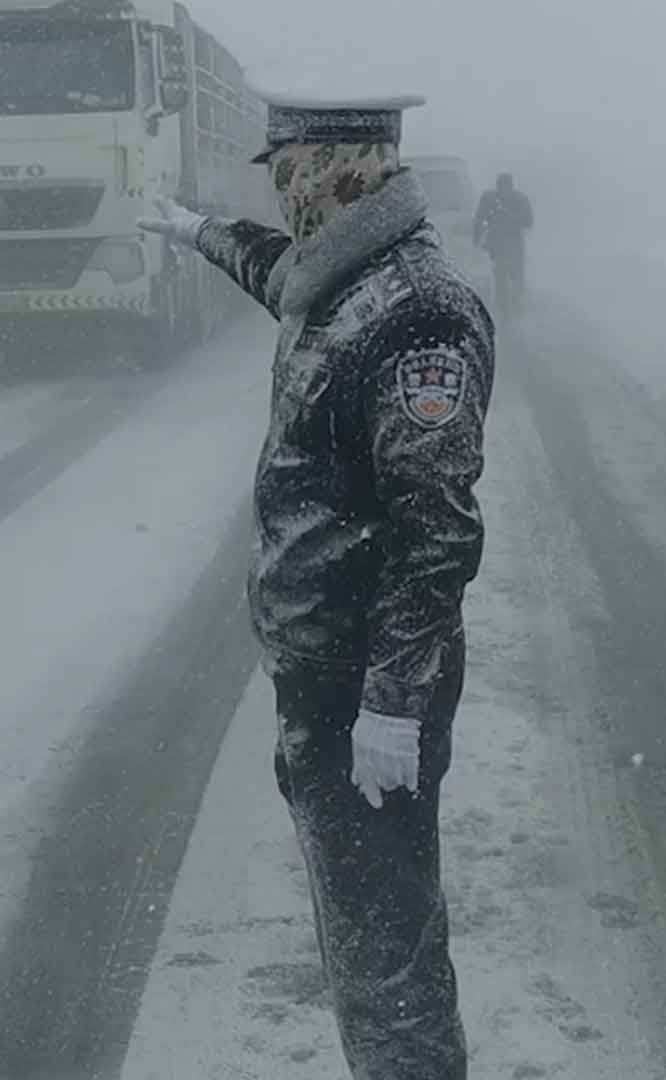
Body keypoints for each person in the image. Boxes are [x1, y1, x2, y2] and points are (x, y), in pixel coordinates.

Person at [139, 86, 493, 1080]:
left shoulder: (417, 313)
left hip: (363, 687)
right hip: (324, 676)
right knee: (364, 940)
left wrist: (392, 702)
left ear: (350, 165)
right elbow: (277, 272)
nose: (285, 190)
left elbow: (436, 537)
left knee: (388, 957)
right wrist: (199, 231)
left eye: (292, 170)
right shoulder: (343, 278)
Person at [472, 172, 533, 322]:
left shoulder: (519, 200)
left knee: (516, 278)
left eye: (506, 186)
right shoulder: (489, 199)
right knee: (500, 277)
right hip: (497, 246)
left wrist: (511, 217)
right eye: (501, 186)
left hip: (514, 246)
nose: (504, 190)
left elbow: (528, 221)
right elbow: (479, 218)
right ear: (498, 186)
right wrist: (477, 236)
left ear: (511, 187)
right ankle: (502, 308)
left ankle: (517, 305)